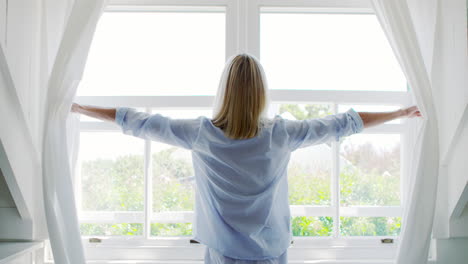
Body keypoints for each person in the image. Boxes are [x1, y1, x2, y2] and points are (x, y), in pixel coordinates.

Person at [71, 54, 421, 264]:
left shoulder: (201, 134)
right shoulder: (281, 134)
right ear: (261, 94)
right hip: (271, 252)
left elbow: (138, 121)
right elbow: (343, 123)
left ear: (224, 91)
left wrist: (79, 107)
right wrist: (400, 112)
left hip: (222, 253)